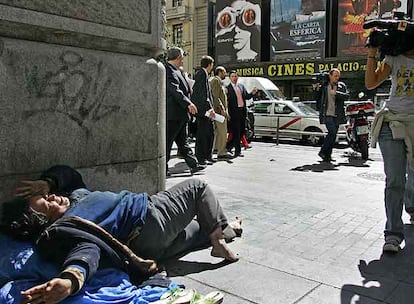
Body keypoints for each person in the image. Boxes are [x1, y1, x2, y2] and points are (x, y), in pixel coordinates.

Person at [1, 165, 242, 303]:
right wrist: (71, 280)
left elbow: (70, 174)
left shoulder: (73, 196)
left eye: (47, 193)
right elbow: (85, 250)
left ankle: (227, 228)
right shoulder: (64, 226)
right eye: (46, 202)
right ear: (43, 221)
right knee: (197, 187)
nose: (53, 196)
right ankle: (219, 241)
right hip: (150, 216)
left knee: (199, 229)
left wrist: (48, 181)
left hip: (148, 247)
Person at [365, 45, 414, 253]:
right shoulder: (394, 57)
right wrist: (372, 54)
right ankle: (393, 233)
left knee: (412, 175)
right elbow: (370, 83)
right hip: (392, 122)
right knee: (395, 179)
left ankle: (411, 206)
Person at [165, 47, 206, 175]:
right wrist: (188, 103)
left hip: (180, 115)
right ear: (178, 57)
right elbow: (174, 90)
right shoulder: (168, 70)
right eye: (182, 57)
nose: (183, 60)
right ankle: (162, 168)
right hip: (173, 115)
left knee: (183, 142)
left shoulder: (176, 71)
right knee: (167, 143)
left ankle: (193, 165)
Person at [315, 68, 348, 162]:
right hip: (327, 113)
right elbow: (317, 98)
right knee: (332, 132)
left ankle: (327, 156)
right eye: (335, 76)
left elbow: (347, 96)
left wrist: (336, 93)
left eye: (338, 76)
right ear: (330, 76)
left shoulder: (342, 86)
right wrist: (316, 88)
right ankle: (322, 151)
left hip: (337, 114)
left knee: (333, 135)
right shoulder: (324, 86)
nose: (337, 78)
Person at [226, 71, 257, 157]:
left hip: (242, 112)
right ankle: (237, 151)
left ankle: (228, 146)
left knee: (242, 131)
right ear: (230, 78)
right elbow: (227, 102)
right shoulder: (227, 88)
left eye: (236, 76)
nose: (234, 78)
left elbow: (246, 96)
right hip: (234, 113)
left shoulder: (241, 86)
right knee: (236, 132)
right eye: (232, 76)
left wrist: (252, 93)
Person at [192, 56, 216, 165]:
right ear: (209, 64)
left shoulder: (203, 74)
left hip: (204, 110)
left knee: (209, 133)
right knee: (202, 135)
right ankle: (201, 158)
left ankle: (207, 156)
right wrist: (210, 108)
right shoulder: (202, 74)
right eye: (212, 64)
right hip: (203, 111)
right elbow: (203, 94)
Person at [210, 66, 232, 160]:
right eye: (224, 72)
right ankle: (221, 152)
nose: (225, 74)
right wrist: (222, 108)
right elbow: (216, 96)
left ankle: (216, 148)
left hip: (218, 111)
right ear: (220, 72)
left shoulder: (218, 81)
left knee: (217, 132)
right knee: (222, 131)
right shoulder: (216, 80)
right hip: (218, 112)